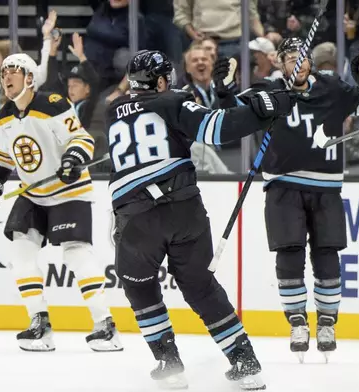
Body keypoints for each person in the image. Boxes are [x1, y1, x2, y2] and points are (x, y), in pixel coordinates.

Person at [106, 49, 295, 390]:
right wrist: (262, 109)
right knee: (200, 287)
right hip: (183, 210)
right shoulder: (171, 101)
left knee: (139, 286)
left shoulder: (112, 110)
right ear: (161, 80)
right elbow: (216, 129)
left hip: (135, 218)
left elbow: (189, 127)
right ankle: (244, 361)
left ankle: (168, 362)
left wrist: (225, 98)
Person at [217, 37, 359, 363]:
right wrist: (223, 90)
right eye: (290, 58)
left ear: (310, 60)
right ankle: (297, 321)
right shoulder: (267, 90)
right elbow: (230, 115)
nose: (297, 63)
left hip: (327, 187)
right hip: (282, 186)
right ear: (279, 62)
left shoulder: (332, 87)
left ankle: (327, 322)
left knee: (327, 254)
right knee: (289, 254)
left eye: (302, 57)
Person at [0, 53, 122, 353]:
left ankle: (105, 326)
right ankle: (39, 323)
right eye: (3, 73)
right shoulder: (4, 115)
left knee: (76, 253)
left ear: (29, 77)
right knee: (20, 249)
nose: (6, 77)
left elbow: (82, 140)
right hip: (33, 194)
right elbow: (1, 158)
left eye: (13, 71)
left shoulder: (52, 103)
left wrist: (71, 159)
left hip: (69, 191)